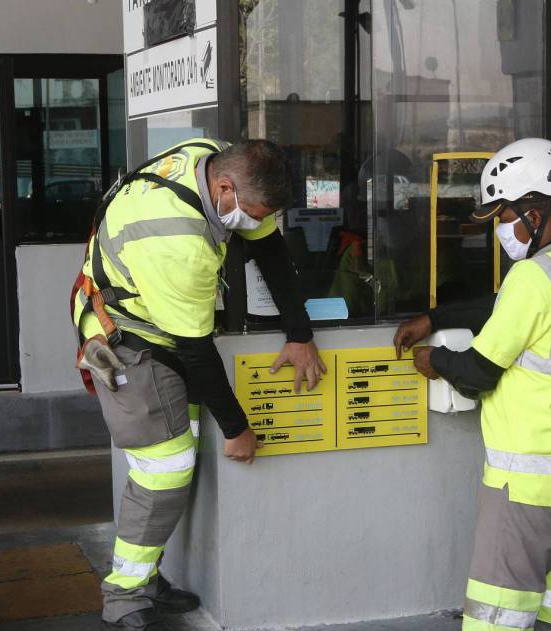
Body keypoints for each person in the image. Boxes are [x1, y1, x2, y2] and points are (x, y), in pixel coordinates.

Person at [71, 138, 326, 630]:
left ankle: (145, 577)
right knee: (164, 469)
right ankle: (124, 596)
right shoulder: (174, 236)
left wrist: (299, 333)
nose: (255, 222)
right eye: (253, 212)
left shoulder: (212, 157)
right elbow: (196, 351)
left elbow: (269, 247)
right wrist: (237, 429)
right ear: (225, 189)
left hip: (167, 329)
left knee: (171, 461)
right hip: (130, 340)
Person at [393, 138, 551, 631]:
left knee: (496, 617)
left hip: (524, 485)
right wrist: (434, 316)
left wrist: (436, 360)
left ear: (533, 212)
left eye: (502, 215)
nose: (499, 228)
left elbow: (476, 374)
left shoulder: (533, 278)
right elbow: (502, 310)